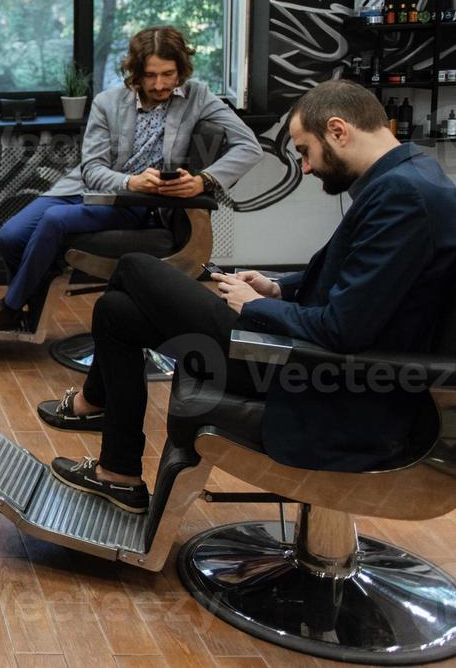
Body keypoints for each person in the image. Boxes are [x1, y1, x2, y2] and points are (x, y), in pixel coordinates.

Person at [37, 80, 456, 513]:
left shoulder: (403, 197)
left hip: (320, 377)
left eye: (304, 151)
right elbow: (358, 284)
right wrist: (278, 287)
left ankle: (93, 404)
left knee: (134, 267)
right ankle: (118, 473)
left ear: (338, 130)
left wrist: (256, 306)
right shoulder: (409, 178)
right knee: (116, 310)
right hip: (313, 358)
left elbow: (344, 328)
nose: (306, 169)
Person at [0, 26, 262, 334]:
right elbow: (92, 169)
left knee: (53, 222)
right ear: (135, 72)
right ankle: (33, 297)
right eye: (150, 75)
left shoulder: (197, 96)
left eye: (168, 74)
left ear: (181, 70)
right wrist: (131, 181)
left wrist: (204, 181)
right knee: (9, 236)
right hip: (91, 188)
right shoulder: (108, 103)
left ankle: (10, 308)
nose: (159, 85)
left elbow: (249, 146)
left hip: (137, 204)